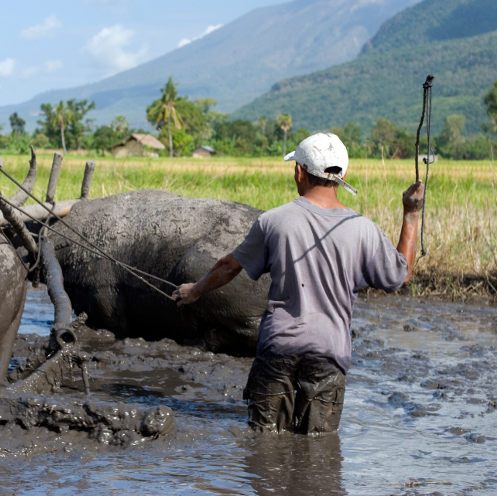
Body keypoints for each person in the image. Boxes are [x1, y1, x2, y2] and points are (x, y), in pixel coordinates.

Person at [173, 133, 425, 434]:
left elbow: (230, 266)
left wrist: (195, 290)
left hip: (277, 349)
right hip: (328, 353)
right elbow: (400, 275)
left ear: (299, 171)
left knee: (264, 443)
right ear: (342, 175)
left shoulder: (274, 220)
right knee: (319, 451)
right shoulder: (362, 229)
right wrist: (411, 213)